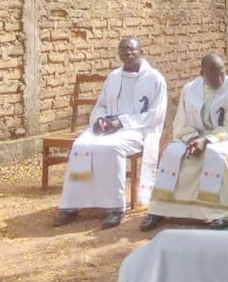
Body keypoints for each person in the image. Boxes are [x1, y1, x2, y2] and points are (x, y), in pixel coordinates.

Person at [55, 37, 167, 229]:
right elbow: (101, 105)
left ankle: (115, 207)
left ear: (141, 51)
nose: (128, 53)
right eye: (123, 50)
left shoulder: (154, 78)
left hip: (138, 129)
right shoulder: (114, 77)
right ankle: (71, 205)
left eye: (132, 50)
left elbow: (156, 114)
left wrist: (122, 122)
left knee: (111, 148)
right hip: (109, 127)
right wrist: (99, 119)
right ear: (119, 53)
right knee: (80, 146)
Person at [141, 53, 228, 231]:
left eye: (222, 73)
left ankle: (220, 214)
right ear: (202, 74)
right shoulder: (189, 89)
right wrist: (192, 139)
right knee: (172, 154)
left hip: (226, 138)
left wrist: (205, 140)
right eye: (213, 74)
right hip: (192, 136)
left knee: (215, 156)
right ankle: (159, 209)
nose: (219, 78)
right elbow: (181, 122)